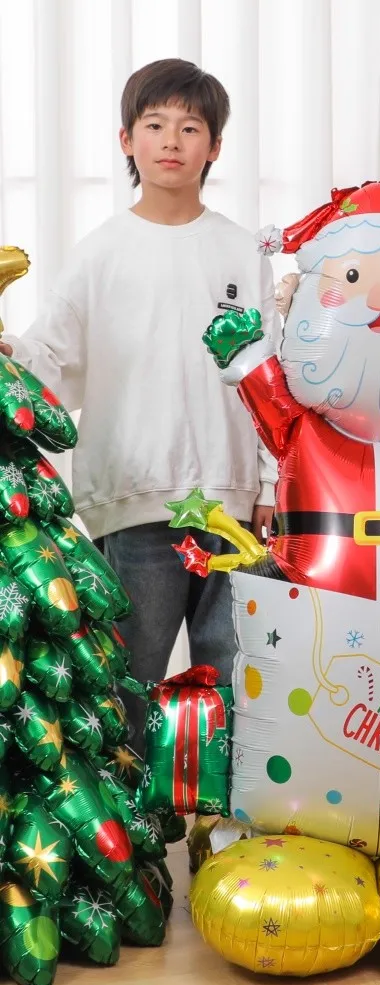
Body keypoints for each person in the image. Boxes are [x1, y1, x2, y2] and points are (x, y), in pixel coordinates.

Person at [0, 59, 276, 755]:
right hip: (134, 501)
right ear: (127, 139)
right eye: (155, 125)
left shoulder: (241, 251)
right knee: (129, 682)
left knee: (236, 683)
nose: (171, 140)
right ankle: (134, 811)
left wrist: (272, 484)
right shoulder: (100, 253)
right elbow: (52, 358)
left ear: (215, 146)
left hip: (233, 505)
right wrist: (10, 352)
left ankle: (226, 813)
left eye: (191, 127)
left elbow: (271, 378)